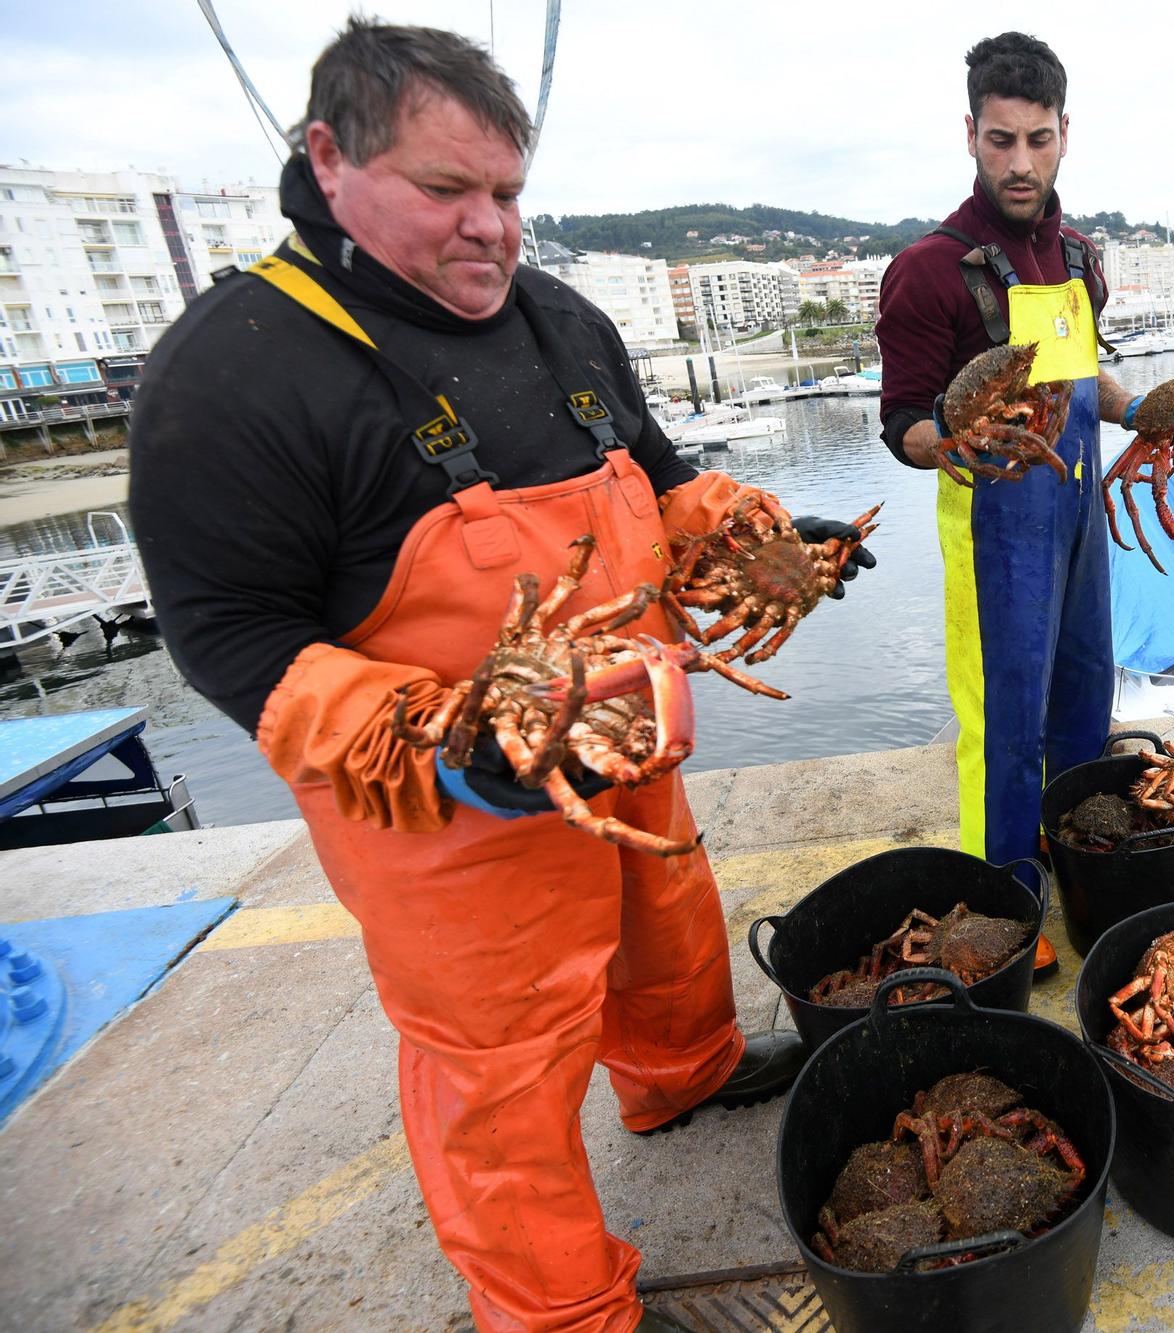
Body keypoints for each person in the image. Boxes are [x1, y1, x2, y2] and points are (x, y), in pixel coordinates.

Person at [129, 21, 868, 1333]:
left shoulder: (559, 317)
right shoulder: (233, 373)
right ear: (329, 160)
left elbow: (654, 468)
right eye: (444, 191)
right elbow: (232, 637)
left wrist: (762, 540)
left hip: (626, 736)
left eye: (509, 194)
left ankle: (678, 1072)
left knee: (667, 923)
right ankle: (560, 1309)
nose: (489, 229)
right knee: (500, 1070)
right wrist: (446, 747)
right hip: (447, 808)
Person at [876, 32, 1139, 901]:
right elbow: (903, 422)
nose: (1020, 162)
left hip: (1078, 522)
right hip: (995, 532)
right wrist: (949, 444)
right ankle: (1003, 903)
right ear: (971, 133)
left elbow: (1082, 376)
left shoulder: (1077, 259)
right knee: (1004, 730)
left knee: (1081, 712)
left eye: (1038, 138)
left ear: (1066, 132)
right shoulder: (927, 272)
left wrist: (1146, 408)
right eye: (1001, 140)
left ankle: (1075, 867)